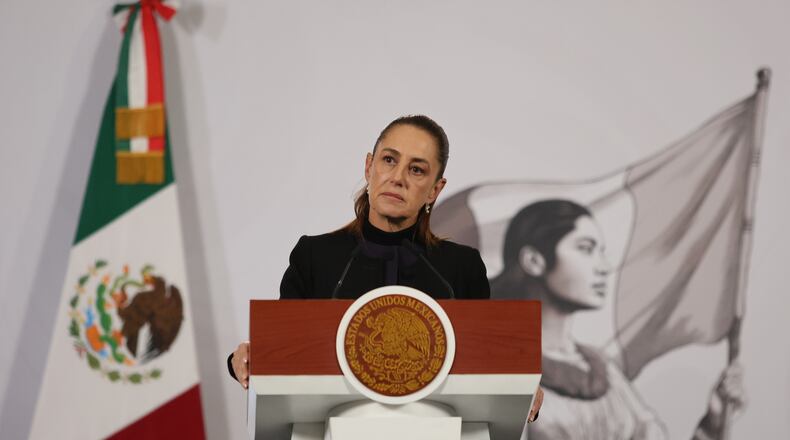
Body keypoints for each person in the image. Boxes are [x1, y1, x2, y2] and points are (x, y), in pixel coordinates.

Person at [228, 115, 543, 422]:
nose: (398, 178)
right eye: (389, 160)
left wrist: (522, 384)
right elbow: (285, 354)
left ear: (435, 189)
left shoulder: (460, 268)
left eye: (417, 169)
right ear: (369, 166)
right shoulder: (315, 256)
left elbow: (488, 366)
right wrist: (249, 358)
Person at [491, 199, 743, 440]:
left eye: (601, 252)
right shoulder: (494, 365)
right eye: (585, 249)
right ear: (534, 261)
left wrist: (712, 424)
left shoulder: (602, 369)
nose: (603, 266)